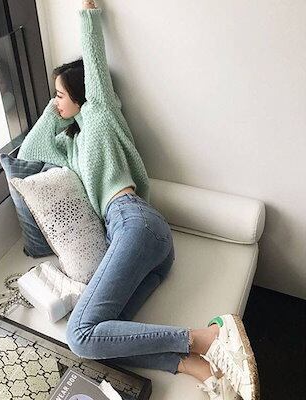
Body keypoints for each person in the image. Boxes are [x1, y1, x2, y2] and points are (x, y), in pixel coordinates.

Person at [17, 1, 259, 399]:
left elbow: (95, 66)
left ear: (81, 93)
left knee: (79, 334)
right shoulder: (70, 147)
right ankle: (196, 366)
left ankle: (208, 336)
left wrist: (88, 16)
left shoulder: (100, 114)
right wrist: (56, 108)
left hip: (134, 221)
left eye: (59, 94)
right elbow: (31, 150)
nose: (55, 101)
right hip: (146, 247)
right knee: (107, 338)